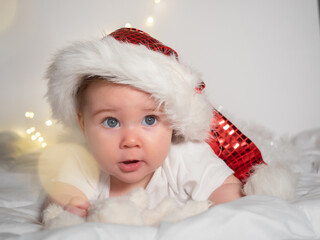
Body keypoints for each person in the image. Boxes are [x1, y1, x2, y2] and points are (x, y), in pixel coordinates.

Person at [43, 28, 243, 218]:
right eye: (111, 122)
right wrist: (70, 205)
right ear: (83, 124)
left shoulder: (184, 155)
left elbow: (226, 188)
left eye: (150, 119)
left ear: (173, 120)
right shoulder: (85, 161)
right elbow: (60, 194)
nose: (130, 141)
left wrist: (223, 212)